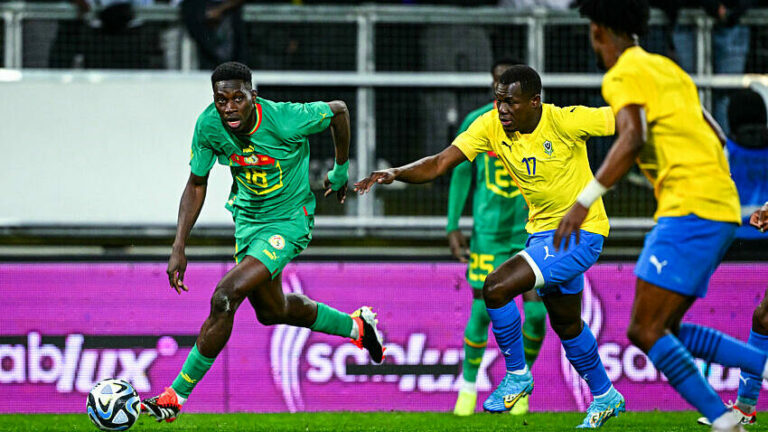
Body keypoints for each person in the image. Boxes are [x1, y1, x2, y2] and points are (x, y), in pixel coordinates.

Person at [356, 65, 625, 429]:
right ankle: (606, 395)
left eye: (510, 103)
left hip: (582, 233)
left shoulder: (566, 121)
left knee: (495, 287)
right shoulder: (489, 126)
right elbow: (439, 163)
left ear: (535, 101)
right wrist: (396, 173)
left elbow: (628, 121)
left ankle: (517, 375)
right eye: (498, 101)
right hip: (542, 235)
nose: (502, 110)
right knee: (568, 326)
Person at [140, 61, 385, 423]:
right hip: (247, 222)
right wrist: (179, 245)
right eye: (221, 100)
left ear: (253, 96)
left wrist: (340, 167)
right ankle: (357, 328)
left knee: (225, 296)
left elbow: (339, 111)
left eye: (238, 98)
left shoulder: (286, 119)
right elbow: (196, 183)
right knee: (272, 311)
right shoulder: (209, 125)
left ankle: (175, 396)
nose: (229, 108)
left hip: (288, 221)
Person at [564, 1, 768, 430]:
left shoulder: (622, 74)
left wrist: (584, 200)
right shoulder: (667, 67)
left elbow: (632, 136)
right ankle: (741, 392)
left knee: (645, 329)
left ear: (598, 31)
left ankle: (721, 418)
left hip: (690, 207)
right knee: (664, 326)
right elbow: (713, 130)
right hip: (715, 203)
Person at [447, 59, 547, 417]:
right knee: (481, 310)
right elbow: (459, 174)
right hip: (488, 234)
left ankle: (521, 383)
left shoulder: (540, 124)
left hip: (530, 232)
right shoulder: (478, 122)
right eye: (498, 89)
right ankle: (468, 386)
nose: (504, 98)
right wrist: (453, 224)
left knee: (536, 316)